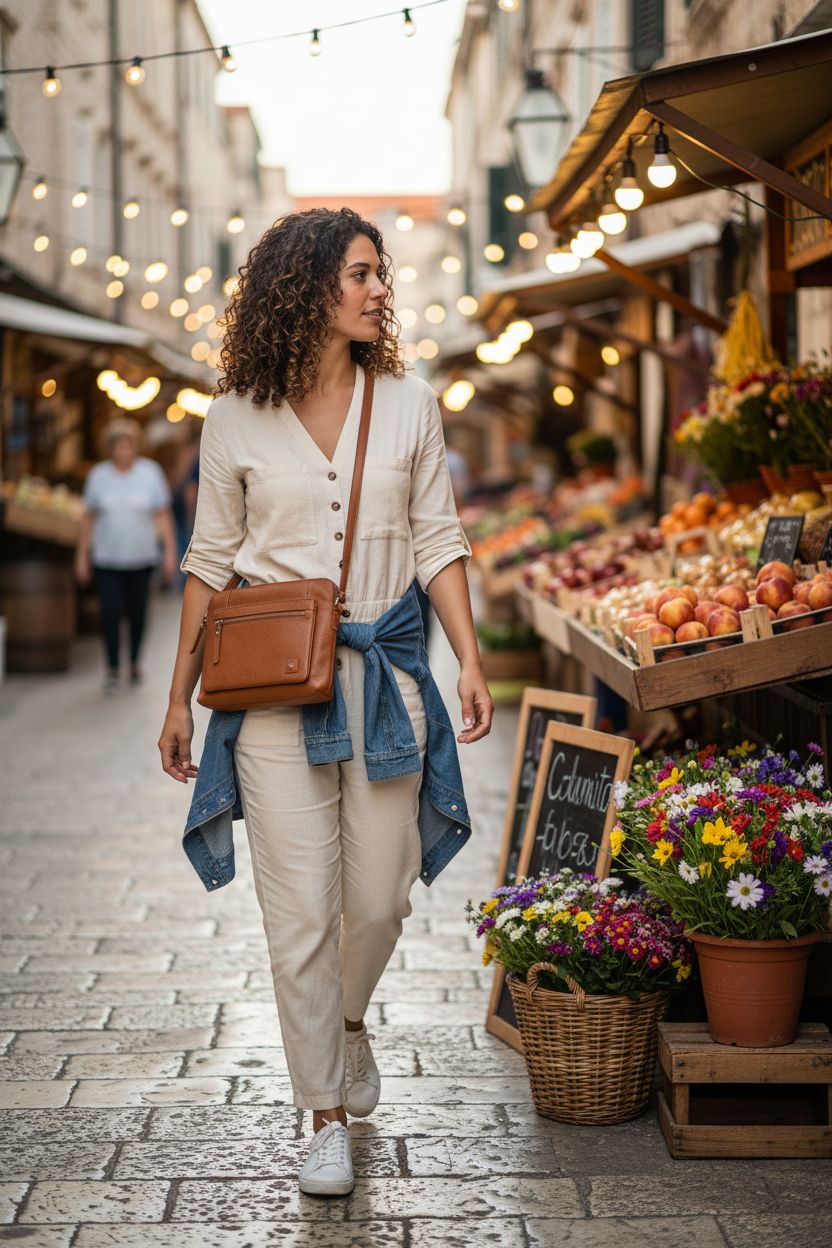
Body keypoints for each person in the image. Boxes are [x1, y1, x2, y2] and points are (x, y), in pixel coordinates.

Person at [157, 208, 493, 1197]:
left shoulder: (412, 404)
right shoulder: (232, 419)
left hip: (388, 679)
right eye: (360, 273)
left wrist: (469, 661)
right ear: (306, 288)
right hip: (270, 694)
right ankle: (322, 1112)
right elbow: (209, 563)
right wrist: (176, 697)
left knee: (380, 897)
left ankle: (345, 1024)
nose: (379, 289)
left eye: (380, 273)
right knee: (298, 912)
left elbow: (438, 539)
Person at [75, 418, 177, 692]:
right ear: (110, 448)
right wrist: (82, 556)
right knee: (110, 611)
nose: (123, 451)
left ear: (135, 447)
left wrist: (170, 553)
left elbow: (163, 514)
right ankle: (112, 666)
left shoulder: (150, 472)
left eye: (128, 445)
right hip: (107, 558)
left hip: (142, 557)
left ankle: (133, 661)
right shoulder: (98, 475)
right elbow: (88, 518)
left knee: (138, 612)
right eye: (118, 446)